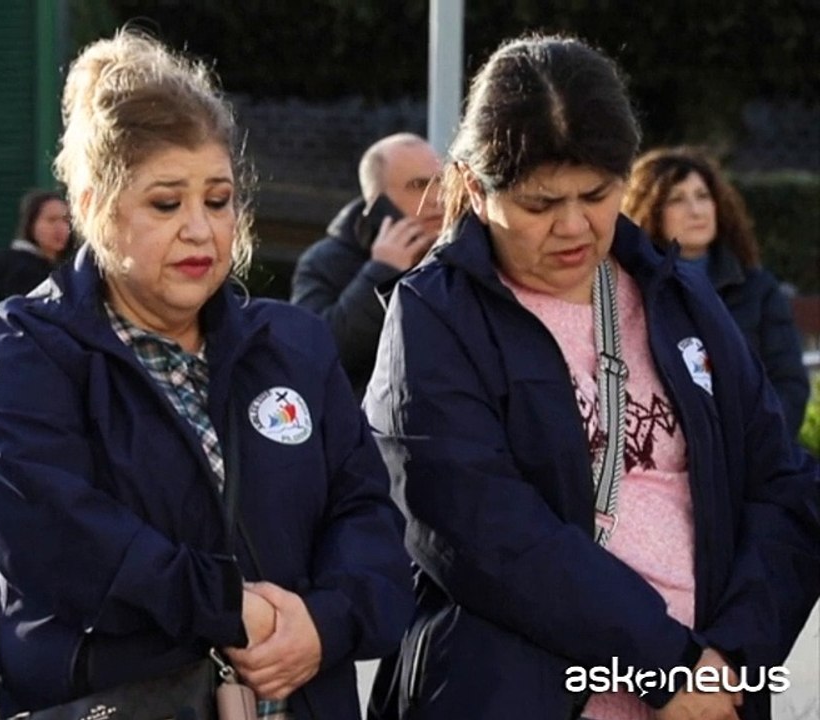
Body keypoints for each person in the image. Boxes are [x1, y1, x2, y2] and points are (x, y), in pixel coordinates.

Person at [0, 30, 414, 720]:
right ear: (92, 208)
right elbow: (58, 539)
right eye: (167, 204)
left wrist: (323, 626)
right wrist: (231, 608)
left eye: (219, 199)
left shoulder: (292, 345)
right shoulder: (26, 351)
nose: (201, 230)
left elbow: (367, 520)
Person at [363, 36, 820, 720]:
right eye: (541, 203)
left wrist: (733, 662)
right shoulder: (436, 315)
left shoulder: (678, 296)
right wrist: (669, 670)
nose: (573, 227)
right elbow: (480, 530)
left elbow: (782, 485)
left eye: (597, 194)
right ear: (474, 186)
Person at [623, 146, 809, 436]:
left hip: (755, 455)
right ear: (651, 211)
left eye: (702, 196)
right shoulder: (632, 293)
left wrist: (756, 446)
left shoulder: (758, 290)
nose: (695, 210)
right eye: (677, 199)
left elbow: (789, 386)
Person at [290, 133, 443, 395]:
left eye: (441, 183)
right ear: (377, 203)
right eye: (418, 185)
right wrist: (381, 273)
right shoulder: (324, 263)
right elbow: (310, 355)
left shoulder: (464, 256)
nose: (436, 198)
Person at [0, 189, 72, 301]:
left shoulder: (63, 267)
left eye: (66, 220)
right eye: (51, 220)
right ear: (31, 223)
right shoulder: (20, 270)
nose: (60, 228)